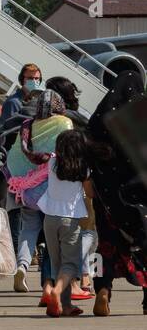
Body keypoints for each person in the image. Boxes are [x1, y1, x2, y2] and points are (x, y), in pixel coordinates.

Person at [85, 72, 147, 316]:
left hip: (106, 199)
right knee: (143, 246)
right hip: (139, 200)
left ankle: (102, 289)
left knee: (105, 246)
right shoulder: (141, 117)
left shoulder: (99, 120)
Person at [6, 89, 75, 306]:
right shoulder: (64, 123)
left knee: (28, 229)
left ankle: (22, 267)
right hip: (52, 188)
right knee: (52, 238)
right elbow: (69, 153)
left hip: (28, 188)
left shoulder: (27, 125)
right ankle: (50, 282)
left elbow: (15, 157)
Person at [0, 63, 44, 288]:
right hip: (21, 169)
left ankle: (24, 263)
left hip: (33, 170)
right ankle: (20, 259)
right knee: (19, 217)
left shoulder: (43, 100)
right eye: (29, 77)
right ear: (21, 79)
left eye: (36, 77)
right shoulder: (14, 103)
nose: (34, 80)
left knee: (29, 221)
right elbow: (6, 132)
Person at [39, 130, 96, 317]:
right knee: (71, 264)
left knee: (57, 263)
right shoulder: (84, 168)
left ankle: (63, 305)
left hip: (49, 218)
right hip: (70, 219)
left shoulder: (52, 163)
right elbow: (91, 193)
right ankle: (56, 292)